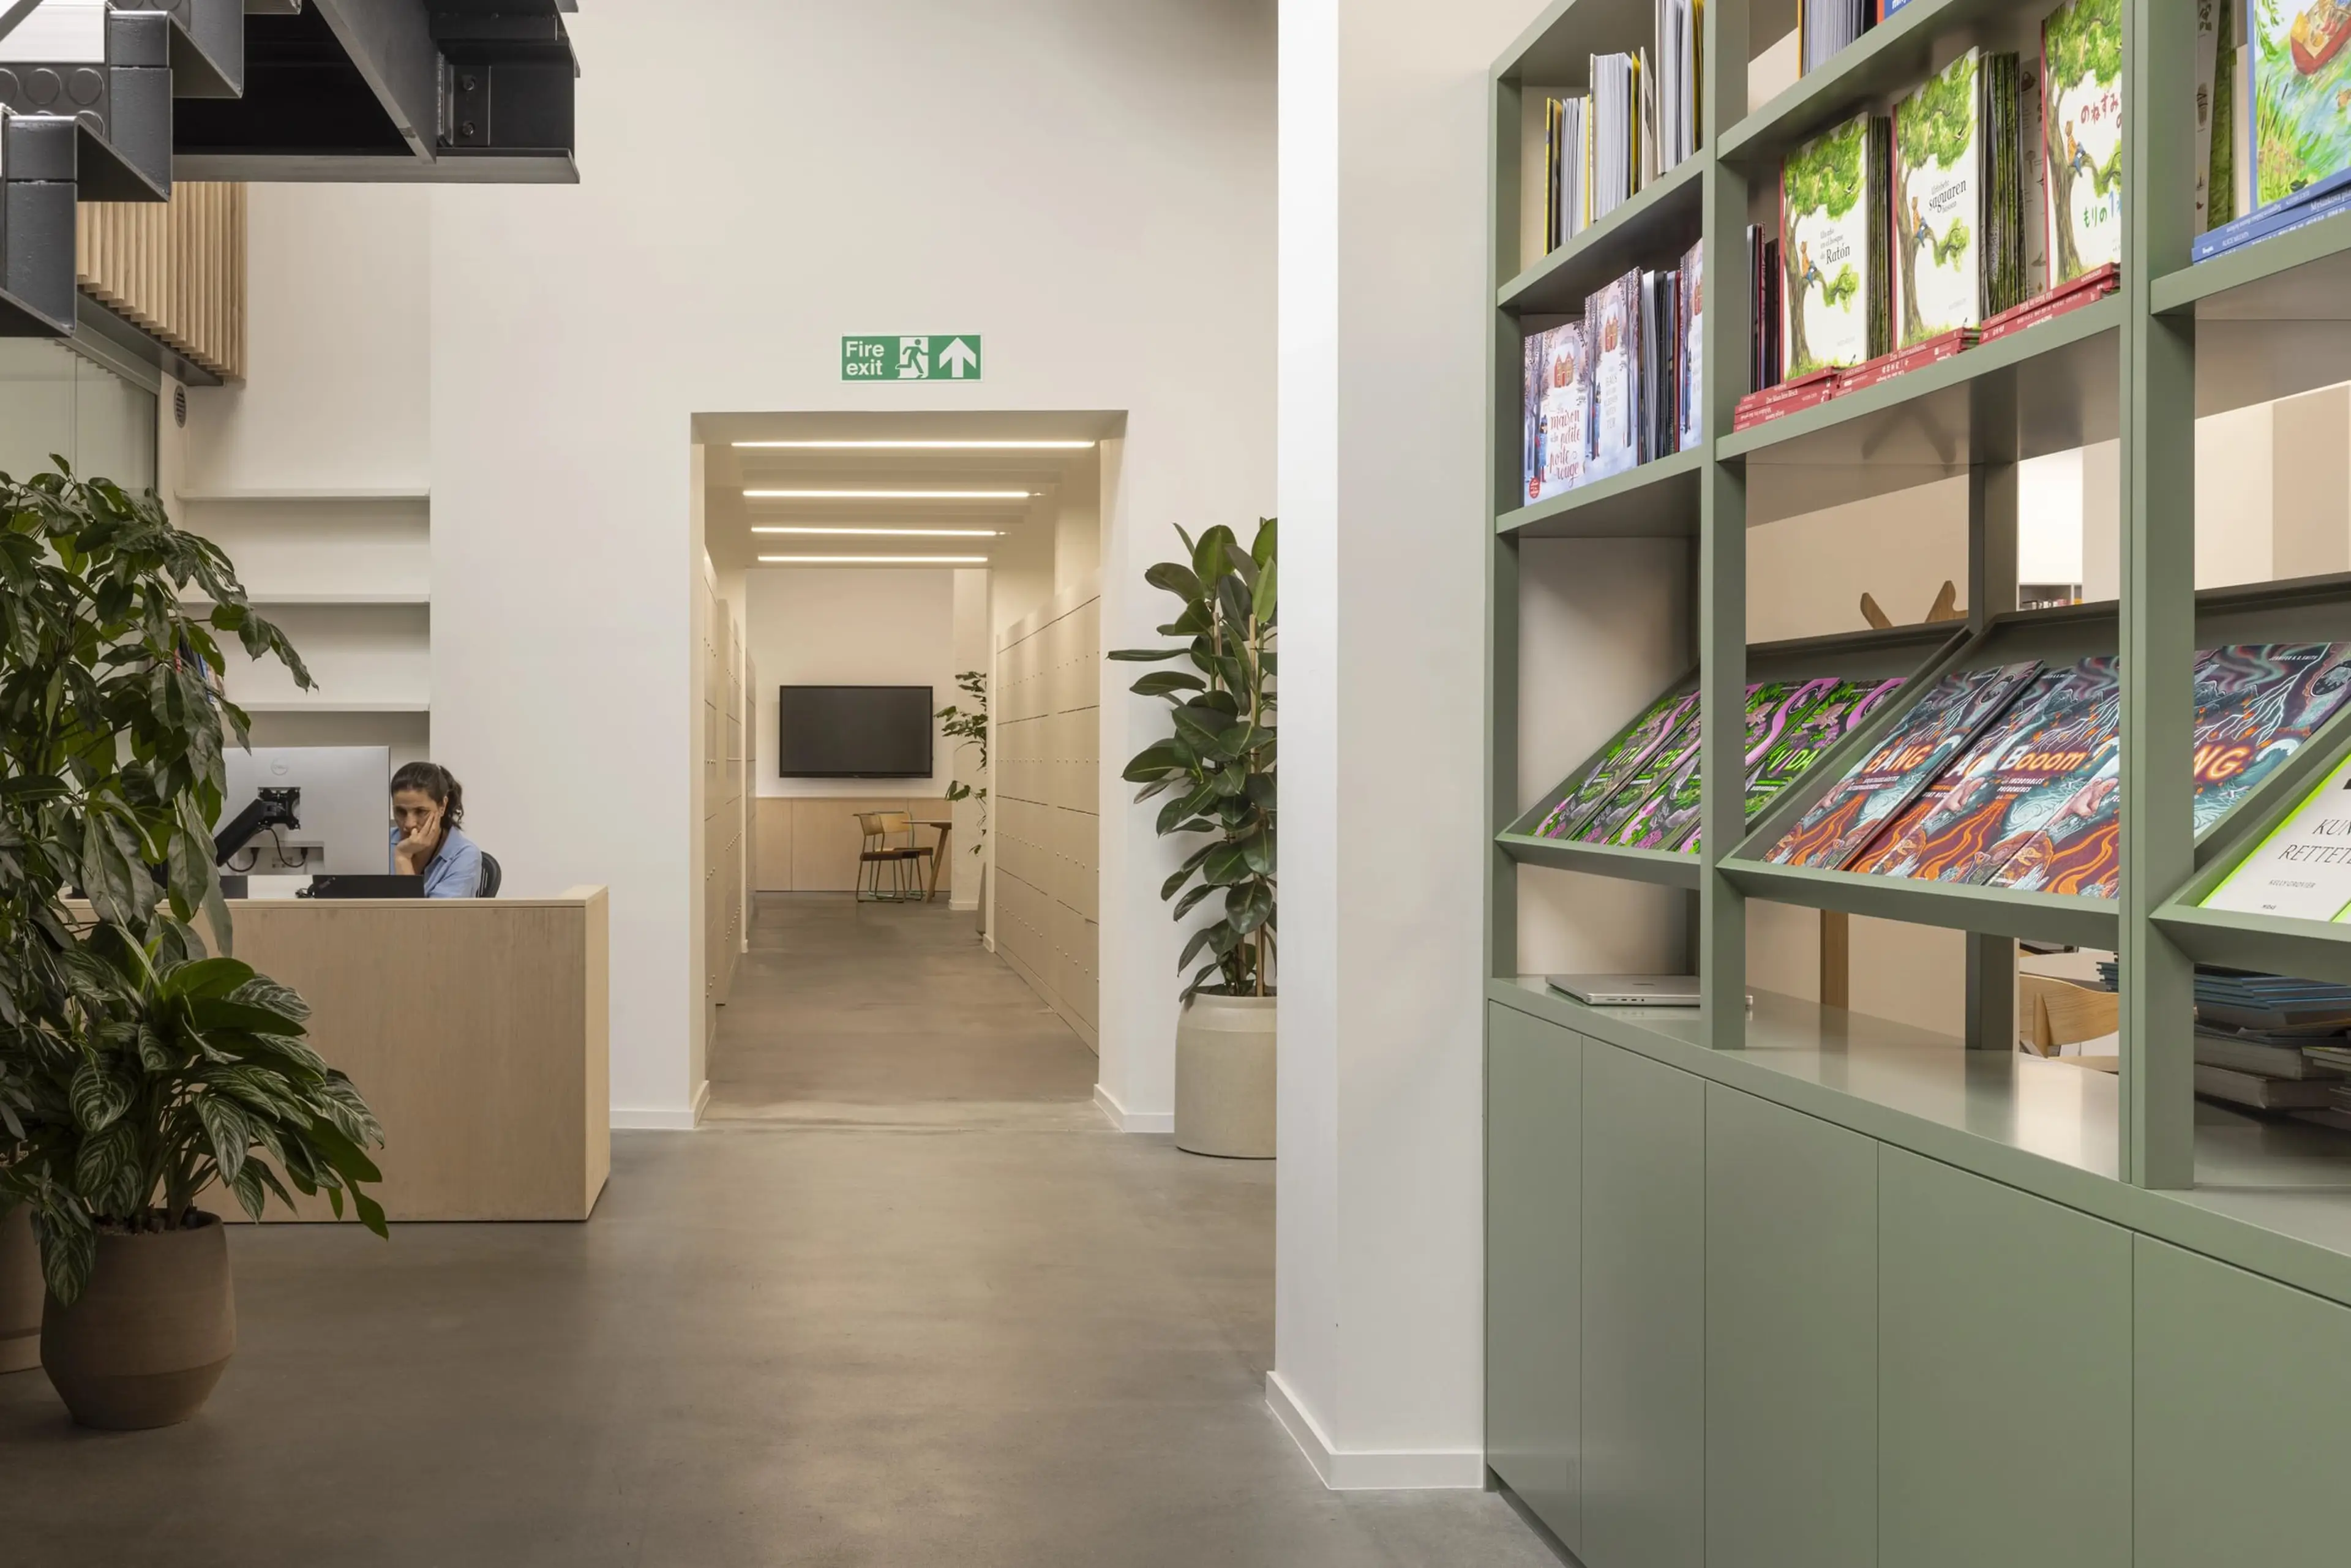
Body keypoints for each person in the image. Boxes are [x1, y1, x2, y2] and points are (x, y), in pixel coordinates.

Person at [389, 762, 484, 898]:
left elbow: (426, 919)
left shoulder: (464, 856)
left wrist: (403, 858)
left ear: (442, 806)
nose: (409, 824)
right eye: (400, 812)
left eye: (421, 811)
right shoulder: (379, 846)